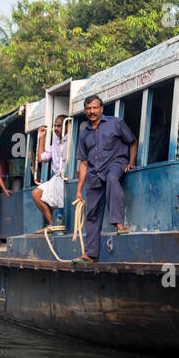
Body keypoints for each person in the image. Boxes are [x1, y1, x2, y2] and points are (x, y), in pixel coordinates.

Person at [74, 95, 136, 258]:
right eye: (88, 109)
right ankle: (90, 254)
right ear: (85, 111)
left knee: (112, 179)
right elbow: (83, 163)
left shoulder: (115, 123)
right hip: (95, 173)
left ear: (101, 109)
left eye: (95, 108)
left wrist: (131, 162)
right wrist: (79, 190)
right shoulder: (83, 134)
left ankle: (119, 224)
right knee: (92, 213)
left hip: (116, 163)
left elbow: (132, 141)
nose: (92, 111)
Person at [32, 115, 68, 227]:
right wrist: (42, 138)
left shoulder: (71, 140)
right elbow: (41, 158)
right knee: (36, 193)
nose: (56, 129)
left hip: (68, 178)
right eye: (55, 126)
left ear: (67, 125)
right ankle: (52, 224)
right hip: (56, 178)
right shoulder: (56, 142)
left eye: (59, 126)